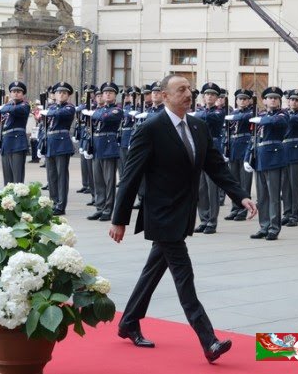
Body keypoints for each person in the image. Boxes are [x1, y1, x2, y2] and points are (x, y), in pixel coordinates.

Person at [109, 74, 256, 363]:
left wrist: (241, 195)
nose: (188, 94)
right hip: (161, 214)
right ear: (164, 96)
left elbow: (216, 166)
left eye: (189, 89)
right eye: (180, 90)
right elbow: (130, 177)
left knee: (153, 270)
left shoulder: (199, 126)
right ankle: (208, 340)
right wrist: (119, 218)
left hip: (184, 212)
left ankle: (128, 322)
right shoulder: (150, 128)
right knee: (184, 276)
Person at [246, 86, 289, 241]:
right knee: (262, 196)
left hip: (274, 159)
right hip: (260, 158)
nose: (273, 100)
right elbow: (254, 138)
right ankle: (263, 226)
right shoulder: (261, 115)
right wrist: (248, 157)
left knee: (273, 196)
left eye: (276, 98)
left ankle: (274, 228)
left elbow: (276, 122)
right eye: (270, 98)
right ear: (264, 100)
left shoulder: (282, 114)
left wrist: (261, 120)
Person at [84, 82, 123, 221]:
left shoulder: (117, 110)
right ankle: (99, 208)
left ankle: (108, 209)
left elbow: (104, 117)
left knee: (109, 181)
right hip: (97, 147)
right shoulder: (100, 109)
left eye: (110, 93)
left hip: (108, 147)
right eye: (105, 92)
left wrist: (94, 114)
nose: (107, 94)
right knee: (98, 181)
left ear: (115, 95)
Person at [194, 82, 225, 234]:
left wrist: (196, 114)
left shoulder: (219, 112)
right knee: (201, 188)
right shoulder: (199, 111)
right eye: (207, 94)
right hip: (199, 151)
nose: (209, 97)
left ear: (217, 97)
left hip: (212, 151)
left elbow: (206, 117)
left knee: (212, 188)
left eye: (213, 94)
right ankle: (204, 219)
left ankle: (212, 221)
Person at [42, 82, 76, 215]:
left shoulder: (69, 108)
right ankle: (53, 202)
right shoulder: (51, 108)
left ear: (68, 96)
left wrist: (49, 111)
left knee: (61, 176)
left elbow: (59, 114)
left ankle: (61, 205)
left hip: (62, 144)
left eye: (64, 93)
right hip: (50, 143)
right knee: (51, 176)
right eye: (59, 92)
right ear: (54, 95)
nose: (61, 95)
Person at [224, 89, 254, 221]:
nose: (242, 101)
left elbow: (245, 118)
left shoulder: (251, 113)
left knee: (244, 183)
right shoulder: (233, 113)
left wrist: (233, 117)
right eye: (240, 99)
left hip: (245, 149)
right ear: (236, 101)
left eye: (245, 99)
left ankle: (244, 209)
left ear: (249, 101)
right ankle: (235, 208)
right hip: (234, 149)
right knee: (234, 182)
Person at [281, 89, 298, 227]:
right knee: (285, 186)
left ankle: (294, 216)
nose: (294, 102)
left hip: (296, 152)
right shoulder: (284, 113)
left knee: (294, 186)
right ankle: (286, 212)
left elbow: (295, 120)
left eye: (297, 100)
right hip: (283, 152)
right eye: (292, 99)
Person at [0, 81, 30, 185]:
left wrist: (4, 107)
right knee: (7, 177)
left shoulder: (25, 105)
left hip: (17, 142)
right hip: (6, 141)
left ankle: (18, 199)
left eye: (19, 91)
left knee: (17, 176)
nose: (16, 93)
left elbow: (14, 110)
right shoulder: (8, 106)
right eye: (13, 91)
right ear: (10, 93)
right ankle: (8, 199)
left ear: (23, 94)